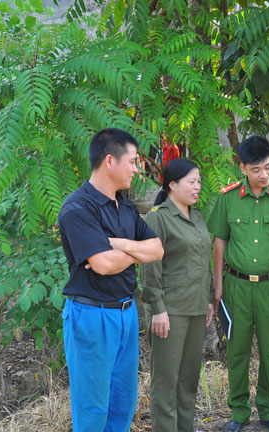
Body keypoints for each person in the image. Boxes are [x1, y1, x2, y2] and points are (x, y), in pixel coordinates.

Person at [58, 128, 164, 431]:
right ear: (109, 161)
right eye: (132, 162)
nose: (136, 169)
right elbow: (103, 264)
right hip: (92, 315)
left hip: (126, 313)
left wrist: (117, 244)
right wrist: (132, 251)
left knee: (123, 401)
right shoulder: (77, 208)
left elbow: (157, 249)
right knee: (93, 409)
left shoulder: (125, 207)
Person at [207, 135, 269, 432]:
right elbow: (219, 241)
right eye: (257, 169)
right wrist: (218, 284)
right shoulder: (228, 198)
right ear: (243, 168)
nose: (264, 175)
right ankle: (238, 411)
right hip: (237, 286)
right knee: (237, 349)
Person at [140, 159, 215, 432]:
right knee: (165, 381)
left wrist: (208, 299)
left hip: (195, 308)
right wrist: (157, 308)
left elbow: (202, 261)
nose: (198, 187)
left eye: (199, 182)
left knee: (188, 379)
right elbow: (150, 267)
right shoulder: (158, 217)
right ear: (172, 184)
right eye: (192, 182)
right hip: (169, 311)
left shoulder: (197, 216)